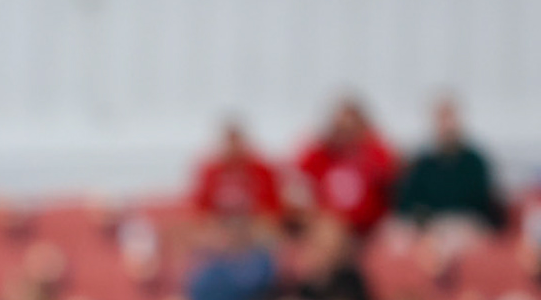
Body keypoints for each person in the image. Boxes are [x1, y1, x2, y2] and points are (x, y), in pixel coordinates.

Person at [394, 96, 504, 235]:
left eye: (449, 119)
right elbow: (407, 203)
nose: (446, 126)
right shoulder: (423, 165)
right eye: (442, 120)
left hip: (465, 224)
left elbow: (482, 203)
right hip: (429, 225)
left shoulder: (474, 162)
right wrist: (423, 218)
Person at [295, 99, 398, 237]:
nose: (344, 136)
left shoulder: (376, 154)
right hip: (328, 224)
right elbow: (297, 183)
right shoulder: (318, 155)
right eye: (339, 129)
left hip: (369, 227)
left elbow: (393, 184)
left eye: (349, 130)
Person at [190, 119, 284, 222]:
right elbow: (201, 206)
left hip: (254, 221)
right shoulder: (211, 172)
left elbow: (273, 205)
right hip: (219, 222)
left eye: (237, 143)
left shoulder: (262, 171)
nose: (234, 148)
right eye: (230, 143)